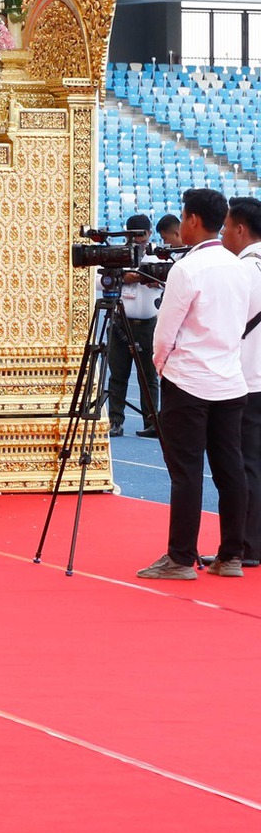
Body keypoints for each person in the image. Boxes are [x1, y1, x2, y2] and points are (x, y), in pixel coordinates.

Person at [138, 188, 257, 580]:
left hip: (189, 379)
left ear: (191, 220)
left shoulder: (187, 269)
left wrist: (161, 365)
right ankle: (232, 555)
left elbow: (165, 330)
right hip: (229, 380)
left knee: (186, 471)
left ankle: (179, 557)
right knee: (230, 471)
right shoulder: (238, 266)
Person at [225, 197, 261, 567]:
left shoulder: (243, 270)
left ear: (240, 229)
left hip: (249, 377)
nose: (222, 234)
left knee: (245, 463)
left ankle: (248, 545)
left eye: (225, 227)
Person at [107, 213, 164, 439]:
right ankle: (115, 421)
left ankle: (152, 422)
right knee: (117, 374)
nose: (139, 240)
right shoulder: (116, 255)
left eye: (143, 235)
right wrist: (123, 278)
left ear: (150, 233)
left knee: (148, 376)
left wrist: (146, 279)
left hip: (148, 324)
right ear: (127, 234)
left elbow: (168, 282)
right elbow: (100, 283)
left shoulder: (158, 257)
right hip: (120, 323)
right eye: (134, 235)